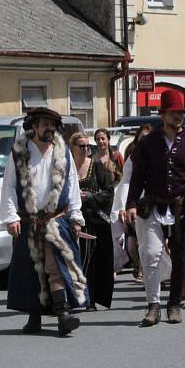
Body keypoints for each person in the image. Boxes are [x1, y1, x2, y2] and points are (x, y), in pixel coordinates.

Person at [0, 107, 88, 336]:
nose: (49, 128)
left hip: (55, 219)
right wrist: (10, 216)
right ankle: (35, 317)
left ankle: (63, 314)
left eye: (52, 124)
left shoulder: (62, 151)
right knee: (32, 269)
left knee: (54, 266)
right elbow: (9, 186)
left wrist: (76, 216)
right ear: (35, 127)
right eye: (44, 124)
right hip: (29, 220)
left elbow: (72, 185)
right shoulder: (19, 151)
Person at [126, 90, 185, 326]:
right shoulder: (149, 142)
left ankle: (174, 304)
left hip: (182, 207)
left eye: (180, 113)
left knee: (181, 257)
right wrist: (131, 202)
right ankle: (153, 305)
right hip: (153, 205)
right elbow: (138, 175)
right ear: (162, 114)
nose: (177, 117)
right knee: (151, 253)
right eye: (173, 113)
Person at [71, 132, 114, 311]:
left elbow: (109, 191)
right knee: (71, 259)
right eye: (81, 146)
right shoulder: (67, 168)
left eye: (88, 146)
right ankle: (70, 299)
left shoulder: (96, 166)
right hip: (71, 221)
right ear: (72, 147)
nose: (86, 149)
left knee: (90, 260)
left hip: (92, 221)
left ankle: (91, 299)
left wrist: (90, 197)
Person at [113, 124, 152, 282]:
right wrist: (124, 206)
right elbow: (126, 182)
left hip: (155, 203)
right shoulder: (133, 158)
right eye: (142, 137)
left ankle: (148, 271)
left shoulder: (161, 155)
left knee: (150, 243)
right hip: (136, 203)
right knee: (132, 243)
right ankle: (139, 266)